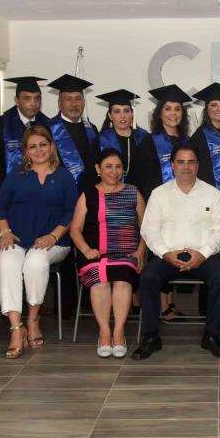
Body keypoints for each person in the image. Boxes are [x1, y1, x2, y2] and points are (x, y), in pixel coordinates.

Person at [133, 144, 220, 360]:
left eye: (191, 162)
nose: (186, 167)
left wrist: (203, 254)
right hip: (168, 254)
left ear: (198, 166)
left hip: (203, 255)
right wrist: (165, 253)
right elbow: (149, 230)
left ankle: (212, 335)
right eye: (181, 162)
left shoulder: (212, 194)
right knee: (148, 277)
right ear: (172, 165)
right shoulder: (159, 194)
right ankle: (150, 337)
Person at [0, 126, 77, 359]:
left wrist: (53, 236)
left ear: (52, 146)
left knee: (36, 262)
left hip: (54, 241)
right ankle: (16, 328)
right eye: (32, 146)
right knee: (8, 263)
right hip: (16, 238)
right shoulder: (16, 175)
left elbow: (72, 211)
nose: (38, 150)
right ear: (25, 151)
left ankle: (33, 317)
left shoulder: (64, 176)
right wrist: (5, 231)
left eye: (43, 144)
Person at [70, 148, 146, 358]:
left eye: (118, 167)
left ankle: (119, 332)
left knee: (122, 278)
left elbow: (147, 227)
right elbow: (75, 229)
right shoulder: (88, 194)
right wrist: (86, 250)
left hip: (127, 255)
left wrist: (140, 251)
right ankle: (104, 331)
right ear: (98, 169)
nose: (114, 171)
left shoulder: (133, 192)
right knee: (100, 279)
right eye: (108, 167)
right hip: (95, 255)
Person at [0, 76, 50, 198]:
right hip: (9, 193)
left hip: (42, 193)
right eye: (27, 98)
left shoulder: (48, 125)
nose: (33, 103)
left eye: (37, 98)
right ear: (16, 100)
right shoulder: (1, 124)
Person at [136, 84, 192, 200]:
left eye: (177, 109)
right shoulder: (148, 143)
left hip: (188, 202)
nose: (173, 113)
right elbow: (141, 180)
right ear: (160, 113)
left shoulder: (189, 143)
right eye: (168, 109)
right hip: (158, 205)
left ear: (182, 114)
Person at [46, 74, 99, 189]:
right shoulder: (47, 130)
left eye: (78, 98)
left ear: (84, 103)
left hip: (90, 192)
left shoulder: (92, 129)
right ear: (59, 103)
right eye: (68, 99)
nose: (74, 104)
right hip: (59, 191)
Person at [93, 88, 150, 184]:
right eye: (117, 111)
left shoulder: (144, 138)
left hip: (141, 191)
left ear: (132, 114)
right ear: (110, 116)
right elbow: (94, 174)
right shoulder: (101, 140)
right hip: (109, 192)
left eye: (126, 111)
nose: (122, 116)